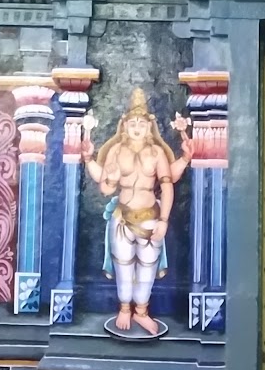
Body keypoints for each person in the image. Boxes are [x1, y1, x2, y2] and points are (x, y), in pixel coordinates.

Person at [82, 89, 192, 335]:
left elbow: (167, 183)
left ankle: (141, 312)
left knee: (147, 267)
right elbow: (104, 186)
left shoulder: (156, 153)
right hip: (122, 217)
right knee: (123, 266)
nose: (137, 128)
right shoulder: (116, 151)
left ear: (149, 127)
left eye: (141, 123)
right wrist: (90, 160)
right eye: (132, 123)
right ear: (124, 126)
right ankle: (124, 308)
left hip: (151, 216)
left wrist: (164, 220)